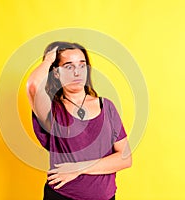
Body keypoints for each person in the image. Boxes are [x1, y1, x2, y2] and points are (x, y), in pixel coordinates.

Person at [26, 41, 132, 200]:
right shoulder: (53, 110)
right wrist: (48, 60)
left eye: (82, 66)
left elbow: (125, 158)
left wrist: (79, 168)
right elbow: (33, 86)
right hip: (62, 196)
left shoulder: (106, 106)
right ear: (55, 73)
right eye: (69, 66)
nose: (77, 72)